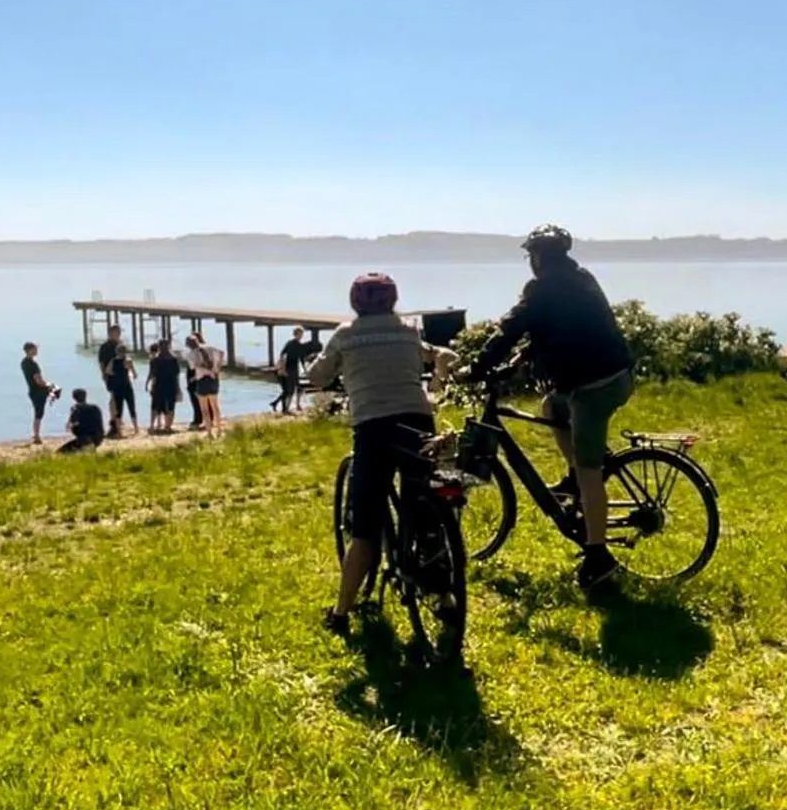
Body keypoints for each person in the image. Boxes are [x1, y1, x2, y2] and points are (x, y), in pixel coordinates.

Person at [471, 224, 635, 589]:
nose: (531, 262)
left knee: (591, 472)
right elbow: (560, 326)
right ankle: (575, 477)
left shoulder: (543, 289)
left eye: (531, 255)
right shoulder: (580, 279)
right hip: (614, 376)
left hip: (594, 387)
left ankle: (598, 557)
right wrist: (520, 359)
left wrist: (478, 367)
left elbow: (510, 328)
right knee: (552, 408)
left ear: (539, 258)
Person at [310, 272, 457, 635]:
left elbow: (317, 377)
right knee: (424, 503)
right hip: (417, 421)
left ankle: (341, 614)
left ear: (354, 302)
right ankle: (444, 596)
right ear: (393, 299)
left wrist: (322, 366)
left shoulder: (346, 335)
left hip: (373, 428)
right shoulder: (408, 331)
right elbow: (430, 354)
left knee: (364, 527)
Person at [21, 342, 59, 444]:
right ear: (30, 350)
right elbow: (39, 381)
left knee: (38, 413)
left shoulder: (24, 362)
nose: (37, 351)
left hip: (32, 390)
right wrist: (49, 385)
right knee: (39, 414)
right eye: (35, 349)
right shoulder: (33, 364)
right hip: (38, 391)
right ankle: (37, 436)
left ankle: (36, 435)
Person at [192, 334, 226, 435]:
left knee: (204, 408)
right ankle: (219, 430)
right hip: (213, 378)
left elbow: (193, 366)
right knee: (215, 405)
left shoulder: (193, 353)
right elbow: (222, 353)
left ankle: (209, 432)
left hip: (202, 379)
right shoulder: (211, 347)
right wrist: (218, 367)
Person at [272, 326, 310, 414]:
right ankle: (285, 408)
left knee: (298, 388)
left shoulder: (299, 345)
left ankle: (294, 406)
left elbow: (302, 359)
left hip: (295, 369)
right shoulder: (290, 344)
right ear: (295, 334)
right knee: (289, 390)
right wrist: (282, 367)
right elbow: (282, 354)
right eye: (299, 334)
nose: (301, 336)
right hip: (288, 368)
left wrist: (306, 370)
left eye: (301, 334)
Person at [148, 339, 182, 434]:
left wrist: (151, 386)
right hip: (171, 384)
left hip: (159, 385)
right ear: (168, 347)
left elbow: (153, 375)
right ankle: (168, 426)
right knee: (171, 406)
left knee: (155, 406)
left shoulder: (155, 360)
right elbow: (176, 375)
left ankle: (152, 426)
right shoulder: (174, 360)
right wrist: (178, 388)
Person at [96, 324, 125, 437]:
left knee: (118, 398)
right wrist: (103, 374)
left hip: (122, 375)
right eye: (115, 332)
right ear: (110, 333)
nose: (117, 334)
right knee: (114, 397)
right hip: (111, 375)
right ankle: (114, 421)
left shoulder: (120, 344)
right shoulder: (105, 347)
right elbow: (101, 362)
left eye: (118, 332)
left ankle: (117, 420)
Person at [106, 342, 139, 436]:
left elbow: (108, 371)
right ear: (125, 351)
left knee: (118, 409)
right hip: (127, 386)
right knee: (131, 407)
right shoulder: (128, 360)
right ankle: (136, 428)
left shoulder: (113, 361)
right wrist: (129, 375)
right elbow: (135, 374)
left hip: (117, 387)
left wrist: (115, 374)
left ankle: (119, 431)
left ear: (116, 352)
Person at [183, 331, 207, 430]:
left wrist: (193, 379)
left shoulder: (193, 354)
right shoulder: (202, 351)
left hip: (195, 380)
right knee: (201, 401)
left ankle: (198, 419)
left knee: (196, 401)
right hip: (199, 379)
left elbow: (195, 368)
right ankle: (201, 418)